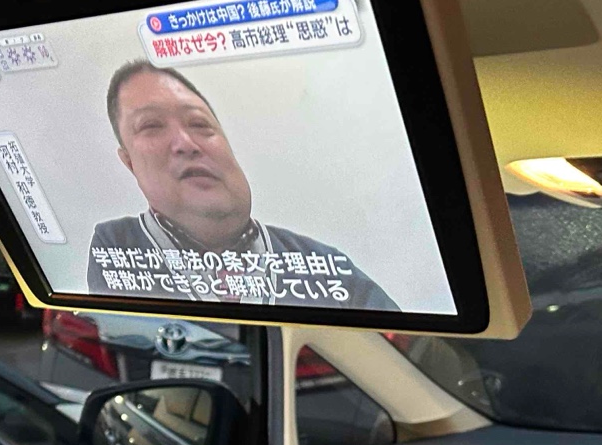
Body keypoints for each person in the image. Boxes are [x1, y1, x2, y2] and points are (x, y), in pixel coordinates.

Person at [86, 60, 397, 311]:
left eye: (200, 124)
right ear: (129, 162)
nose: (187, 143)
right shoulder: (117, 246)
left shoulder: (322, 265)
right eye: (151, 125)